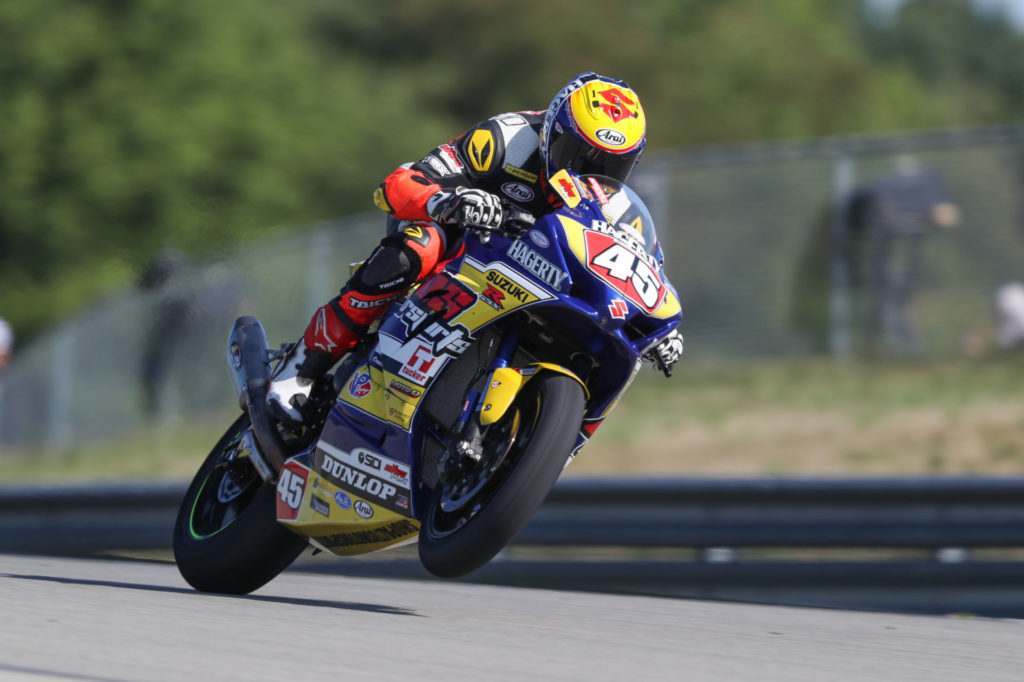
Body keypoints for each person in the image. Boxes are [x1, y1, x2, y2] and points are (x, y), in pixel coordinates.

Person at [267, 72, 684, 423]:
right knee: (420, 245)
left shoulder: (623, 209)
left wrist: (659, 330)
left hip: (534, 283)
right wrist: (448, 201)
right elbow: (397, 184)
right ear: (552, 131)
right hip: (461, 243)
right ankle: (305, 364)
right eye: (578, 154)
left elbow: (644, 268)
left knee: (609, 348)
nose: (590, 172)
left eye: (613, 166)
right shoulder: (509, 138)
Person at [847, 155, 959, 356]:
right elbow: (947, 216)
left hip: (901, 261)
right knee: (889, 302)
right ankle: (889, 347)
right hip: (888, 260)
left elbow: (948, 217)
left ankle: (899, 347)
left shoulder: (912, 197)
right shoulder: (883, 196)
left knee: (895, 302)